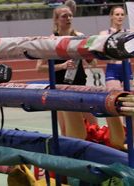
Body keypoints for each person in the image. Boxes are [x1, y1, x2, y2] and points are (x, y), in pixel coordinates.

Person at [36, 5, 97, 140]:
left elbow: (93, 63)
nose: (68, 18)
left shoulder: (80, 36)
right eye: (64, 16)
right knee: (65, 130)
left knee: (92, 125)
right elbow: (39, 68)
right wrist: (62, 66)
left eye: (70, 15)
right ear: (56, 20)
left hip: (80, 85)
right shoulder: (51, 40)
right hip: (60, 89)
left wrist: (88, 56)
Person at [97, 5, 129, 150]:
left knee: (129, 101)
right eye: (117, 14)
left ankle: (129, 134)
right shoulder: (105, 33)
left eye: (122, 14)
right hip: (112, 69)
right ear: (111, 16)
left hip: (126, 69)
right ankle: (117, 134)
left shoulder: (129, 33)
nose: (120, 17)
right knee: (115, 102)